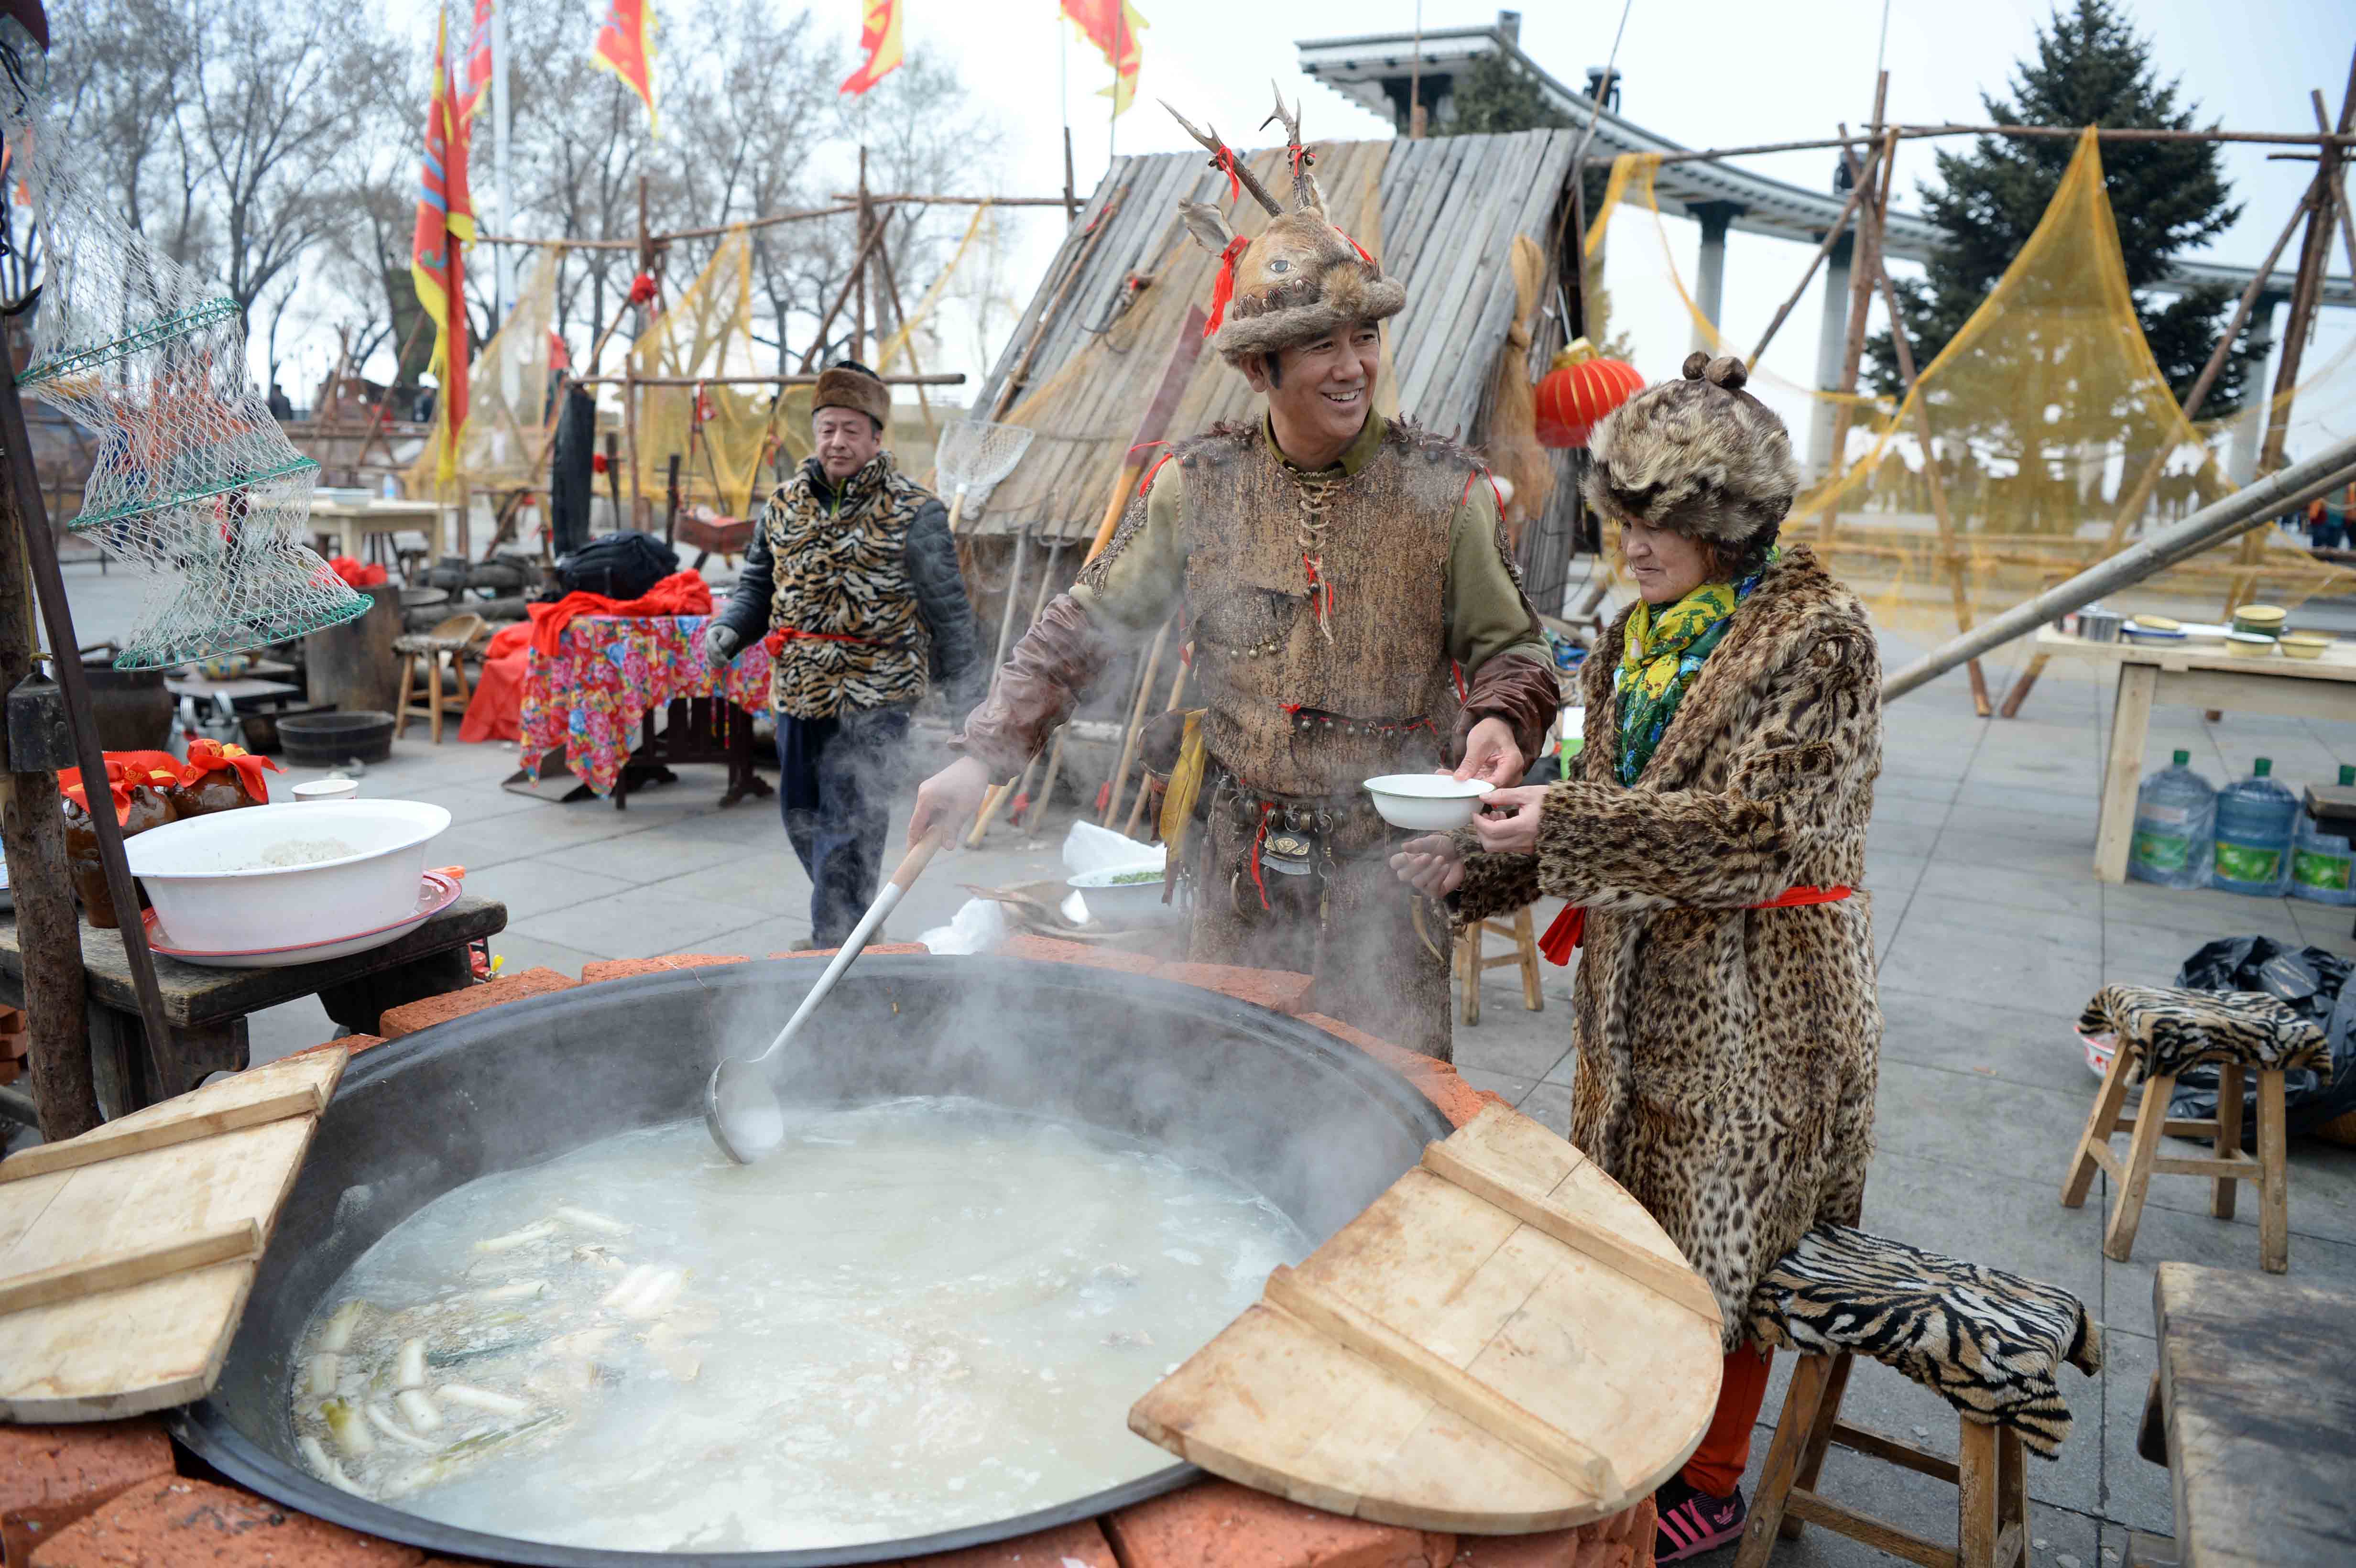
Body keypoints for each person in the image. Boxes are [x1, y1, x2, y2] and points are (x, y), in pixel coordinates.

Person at [907, 101, 1558, 1058]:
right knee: (1224, 1092)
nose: (1353, 366)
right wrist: (983, 752)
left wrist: (1503, 717)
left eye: (1365, 339)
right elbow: (1083, 628)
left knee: (1383, 1112)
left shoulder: (1442, 490)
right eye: (1323, 346)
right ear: (1261, 367)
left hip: (1387, 870)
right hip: (1238, 864)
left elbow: (1514, 649)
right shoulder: (1196, 485)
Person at [1393, 353, 1885, 1561]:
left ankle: (1712, 1476)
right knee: (1638, 1219)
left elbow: (1757, 836)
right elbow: (1612, 804)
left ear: (1732, 521)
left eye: (1664, 523)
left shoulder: (1819, 641)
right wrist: (1481, 866)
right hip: (1637, 987)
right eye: (1623, 519)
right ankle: (1637, 1428)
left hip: (1764, 997)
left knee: (1738, 1233)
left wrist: (1556, 825)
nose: (1635, 547)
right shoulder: (1638, 635)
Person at [708, 360, 983, 947]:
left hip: (877, 689)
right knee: (800, 815)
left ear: (876, 437)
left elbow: (949, 614)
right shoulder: (782, 505)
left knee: (849, 820)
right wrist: (731, 628)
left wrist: (970, 712)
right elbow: (758, 586)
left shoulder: (915, 511)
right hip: (798, 688)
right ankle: (857, 918)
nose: (837, 441)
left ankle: (833, 944)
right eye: (827, 428)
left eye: (851, 430)